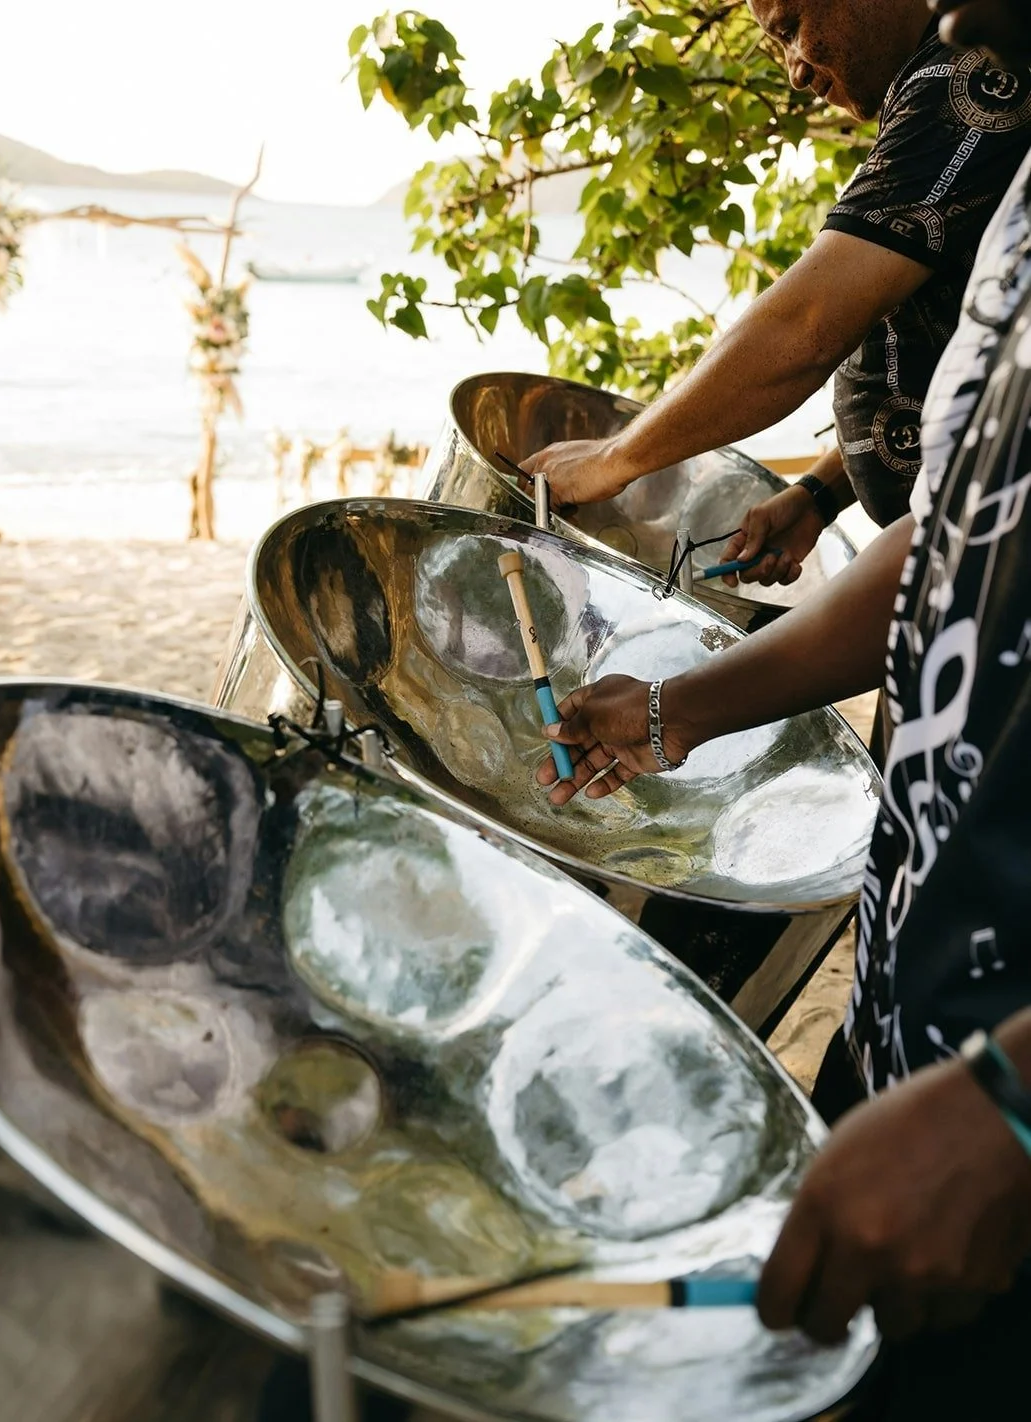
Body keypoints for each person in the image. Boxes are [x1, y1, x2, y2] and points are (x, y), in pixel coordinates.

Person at [534, 1, 1031, 1409]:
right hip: (916, 1024)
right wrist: (690, 701)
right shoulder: (1015, 191)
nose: (941, 17)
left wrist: (1011, 1099)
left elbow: (810, 318)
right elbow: (953, 528)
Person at [521, 0, 1031, 593]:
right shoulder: (932, 87)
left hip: (991, 574)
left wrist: (614, 460)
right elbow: (961, 361)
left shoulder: (967, 83)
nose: (795, 69)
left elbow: (807, 326)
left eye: (791, 29)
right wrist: (820, 492)